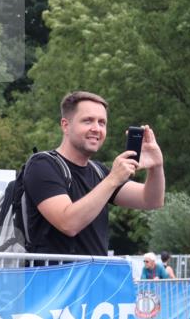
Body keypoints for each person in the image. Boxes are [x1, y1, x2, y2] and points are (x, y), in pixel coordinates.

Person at [23, 91, 165, 256]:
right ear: (65, 125)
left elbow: (151, 201)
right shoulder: (42, 165)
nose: (96, 129)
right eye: (88, 120)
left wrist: (156, 167)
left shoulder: (99, 172)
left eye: (102, 122)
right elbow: (69, 224)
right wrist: (113, 179)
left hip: (93, 278)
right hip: (55, 279)